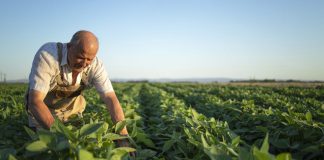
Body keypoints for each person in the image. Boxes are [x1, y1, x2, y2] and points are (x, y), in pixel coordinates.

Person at [26, 30, 130, 146]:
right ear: (69, 47)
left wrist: (123, 136)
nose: (84, 64)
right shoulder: (49, 55)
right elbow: (35, 101)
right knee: (51, 147)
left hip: (73, 114)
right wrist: (61, 137)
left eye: (89, 59)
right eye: (80, 57)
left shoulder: (95, 65)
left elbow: (110, 98)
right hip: (44, 114)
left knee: (89, 144)